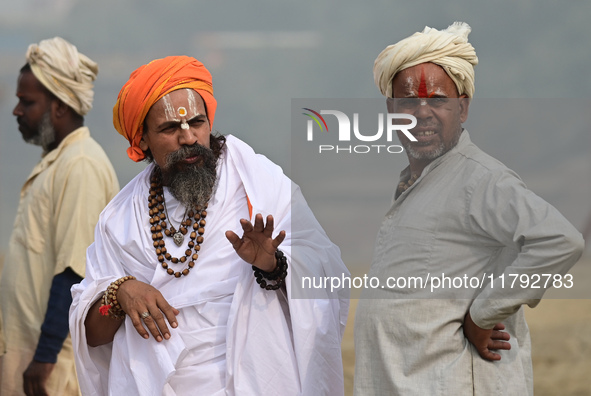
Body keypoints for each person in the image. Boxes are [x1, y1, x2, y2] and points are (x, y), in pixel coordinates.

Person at [69, 55, 350, 396]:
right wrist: (119, 293)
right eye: (170, 128)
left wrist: (273, 266)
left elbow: (327, 272)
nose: (188, 138)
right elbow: (93, 336)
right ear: (141, 140)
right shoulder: (120, 220)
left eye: (197, 123)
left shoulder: (258, 185)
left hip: (256, 382)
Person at [354, 22, 584, 395]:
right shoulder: (418, 182)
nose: (422, 112)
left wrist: (483, 313)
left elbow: (561, 240)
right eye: (409, 100)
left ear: (463, 107)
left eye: (438, 100)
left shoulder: (482, 179)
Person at [0, 37, 119, 395]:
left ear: (60, 107)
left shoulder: (80, 164)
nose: (17, 111)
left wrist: (46, 357)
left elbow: (73, 271)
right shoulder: (56, 162)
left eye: (27, 102)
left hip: (54, 369)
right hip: (29, 360)